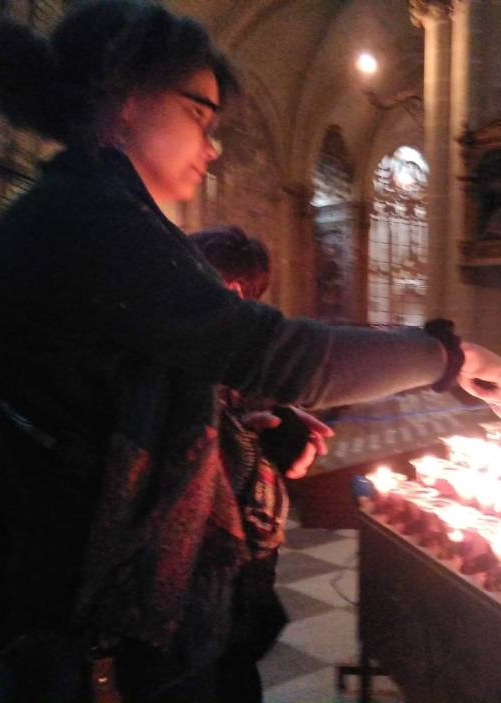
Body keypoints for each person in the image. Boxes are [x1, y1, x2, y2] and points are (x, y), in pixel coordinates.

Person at [0, 1, 501, 701]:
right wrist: (453, 358)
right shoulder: (91, 221)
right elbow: (280, 355)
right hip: (84, 624)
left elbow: (110, 401)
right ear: (125, 97)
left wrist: (244, 445)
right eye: (200, 115)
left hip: (87, 601)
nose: (211, 145)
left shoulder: (84, 210)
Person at [189, 225, 329, 701]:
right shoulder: (207, 367)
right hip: (202, 598)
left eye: (191, 277)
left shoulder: (231, 367)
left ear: (227, 291)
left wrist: (268, 429)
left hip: (226, 596)